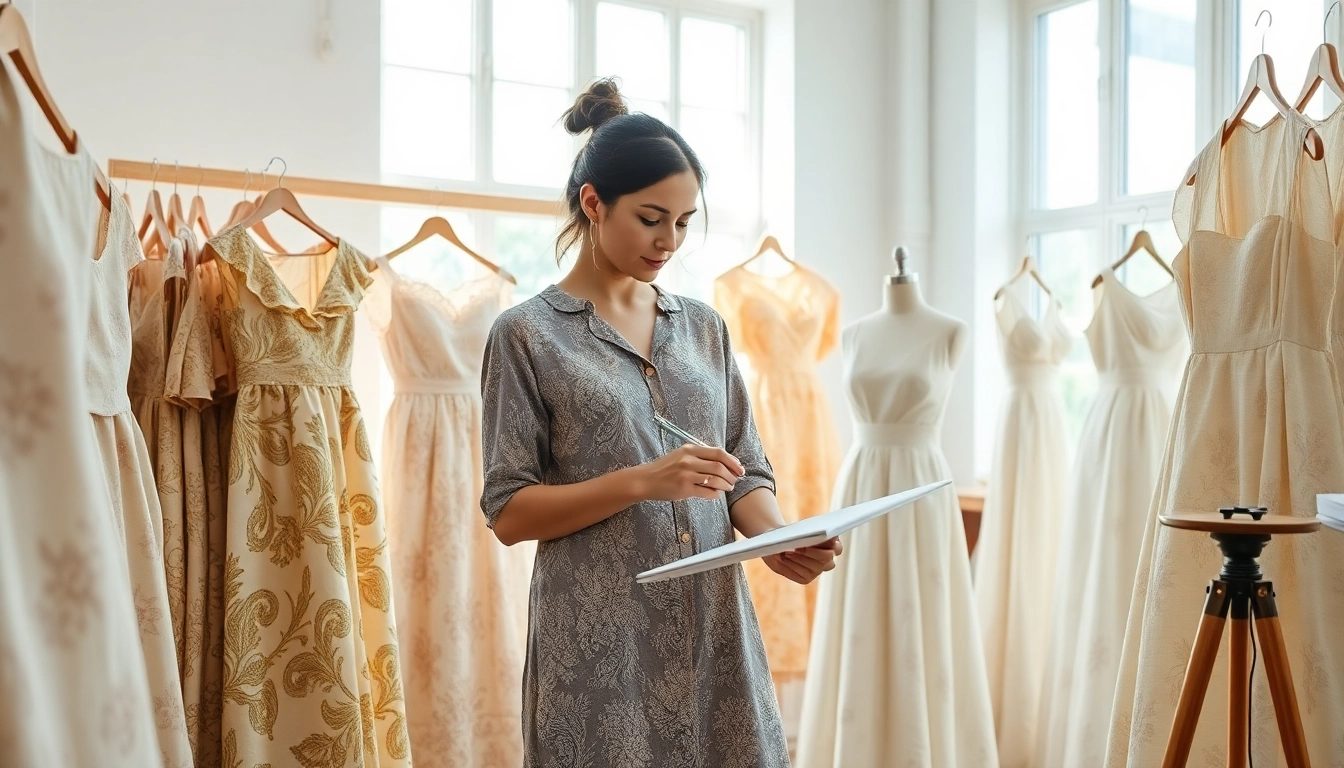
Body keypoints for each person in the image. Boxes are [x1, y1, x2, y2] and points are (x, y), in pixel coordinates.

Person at [479, 78, 843, 766]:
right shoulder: (525, 336)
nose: (669, 240)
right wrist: (641, 482)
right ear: (594, 202)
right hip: (597, 651)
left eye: (683, 221)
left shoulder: (704, 329)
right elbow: (509, 512)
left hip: (715, 636)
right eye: (651, 218)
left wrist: (778, 539)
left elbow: (746, 467)